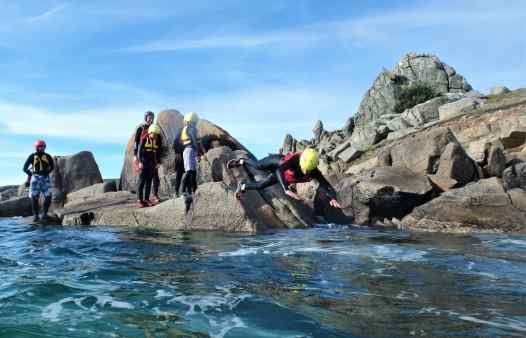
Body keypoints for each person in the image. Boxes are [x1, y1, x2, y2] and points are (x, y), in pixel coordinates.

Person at [227, 148, 342, 208]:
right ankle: (242, 161)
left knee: (261, 185)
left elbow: (325, 184)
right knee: (258, 166)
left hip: (283, 175)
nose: (305, 171)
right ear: (301, 161)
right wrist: (286, 189)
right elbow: (280, 169)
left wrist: (332, 197)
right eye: (304, 168)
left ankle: (243, 186)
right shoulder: (294, 161)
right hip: (277, 163)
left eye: (308, 170)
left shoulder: (314, 172)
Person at [133, 111, 162, 204]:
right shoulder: (141, 129)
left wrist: (159, 160)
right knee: (142, 179)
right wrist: (135, 156)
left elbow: (159, 146)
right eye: (149, 117)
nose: (151, 119)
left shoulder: (156, 129)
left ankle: (150, 197)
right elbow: (136, 143)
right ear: (146, 118)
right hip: (144, 157)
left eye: (152, 118)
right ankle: (140, 199)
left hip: (153, 158)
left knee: (153, 178)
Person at [23, 140, 55, 222]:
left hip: (45, 178)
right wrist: (31, 173)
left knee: (48, 196)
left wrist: (47, 172)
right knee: (34, 197)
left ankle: (44, 214)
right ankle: (36, 216)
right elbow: (24, 168)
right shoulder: (32, 156)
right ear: (36, 147)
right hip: (35, 178)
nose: (42, 148)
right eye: (40, 147)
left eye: (43, 146)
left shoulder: (48, 156)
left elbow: (52, 166)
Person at [178, 112, 201, 196]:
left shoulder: (185, 128)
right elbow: (194, 140)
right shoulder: (192, 128)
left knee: (193, 171)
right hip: (190, 150)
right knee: (189, 171)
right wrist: (198, 153)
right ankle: (183, 191)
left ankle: (194, 190)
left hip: (187, 150)